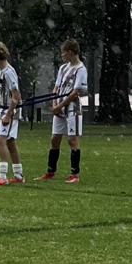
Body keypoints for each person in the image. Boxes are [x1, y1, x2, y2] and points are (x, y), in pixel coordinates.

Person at [42, 38, 88, 184]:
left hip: (72, 108)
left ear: (70, 52)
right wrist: (55, 104)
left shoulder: (81, 70)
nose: (62, 55)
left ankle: (74, 174)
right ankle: (50, 171)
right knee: (55, 139)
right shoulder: (63, 68)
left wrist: (60, 105)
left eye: (63, 52)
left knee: (71, 139)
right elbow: (56, 87)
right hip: (59, 107)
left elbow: (75, 92)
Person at [0, 42, 23, 185]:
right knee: (10, 142)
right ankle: (18, 175)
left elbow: (16, 95)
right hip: (5, 110)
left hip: (9, 111)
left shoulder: (8, 72)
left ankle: (2, 176)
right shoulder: (2, 71)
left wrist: (9, 114)